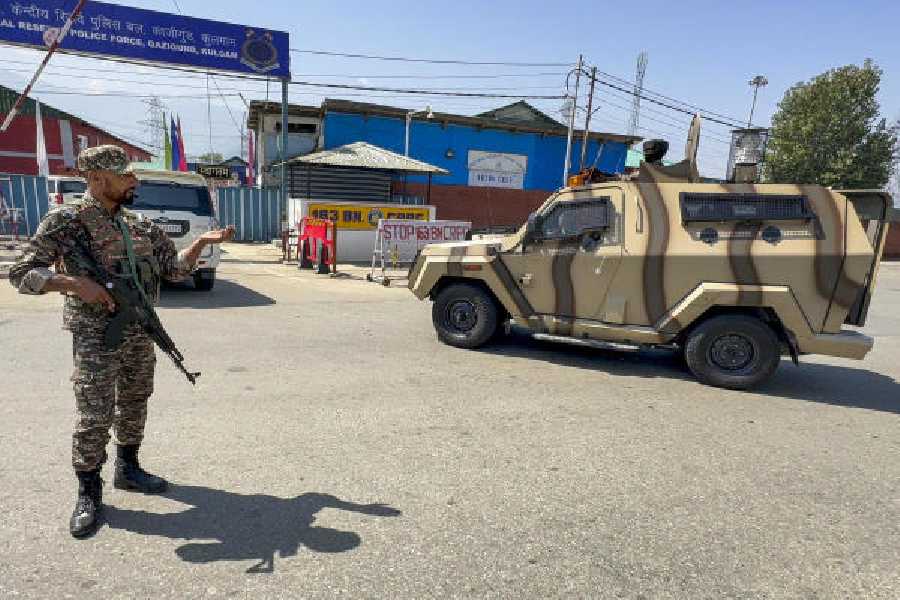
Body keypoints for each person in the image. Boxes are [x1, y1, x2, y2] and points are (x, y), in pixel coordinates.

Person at [8, 145, 235, 538]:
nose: (135, 180)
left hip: (138, 329)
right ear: (97, 179)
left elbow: (174, 270)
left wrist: (200, 245)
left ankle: (128, 467)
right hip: (96, 333)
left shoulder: (140, 225)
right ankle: (88, 491)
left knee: (135, 400)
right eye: (125, 175)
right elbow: (21, 273)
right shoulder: (66, 222)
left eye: (132, 174)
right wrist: (73, 283)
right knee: (95, 412)